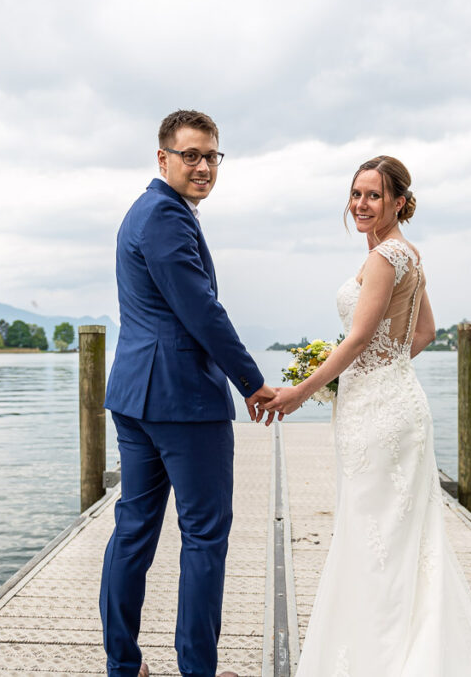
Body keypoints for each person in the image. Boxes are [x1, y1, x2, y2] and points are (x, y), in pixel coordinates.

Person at [263, 156, 471, 675]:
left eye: (373, 195)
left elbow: (358, 338)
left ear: (399, 201)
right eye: (355, 194)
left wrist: (304, 390)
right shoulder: (410, 255)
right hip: (400, 402)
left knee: (374, 534)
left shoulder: (384, 259)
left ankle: (378, 657)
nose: (360, 204)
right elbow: (421, 334)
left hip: (377, 414)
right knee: (399, 534)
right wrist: (380, 371)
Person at [100, 109, 277, 677]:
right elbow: (201, 311)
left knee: (134, 527)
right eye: (190, 155)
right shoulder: (166, 217)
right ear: (163, 158)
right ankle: (196, 669)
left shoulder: (145, 212)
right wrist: (251, 381)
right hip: (182, 401)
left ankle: (123, 666)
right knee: (203, 537)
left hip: (135, 396)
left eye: (211, 156)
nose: (202, 167)